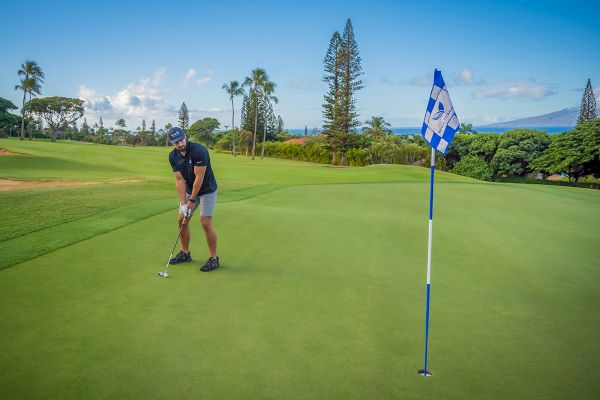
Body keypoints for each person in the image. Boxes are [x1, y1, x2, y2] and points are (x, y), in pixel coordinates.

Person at [167, 127, 220, 272]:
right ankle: (185, 253)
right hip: (190, 190)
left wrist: (191, 202)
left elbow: (199, 177)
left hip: (207, 189)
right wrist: (184, 204)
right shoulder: (173, 156)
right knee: (181, 219)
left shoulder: (199, 150)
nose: (179, 144)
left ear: (185, 136)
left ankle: (214, 258)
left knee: (205, 222)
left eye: (181, 140)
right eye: (175, 142)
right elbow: (179, 180)